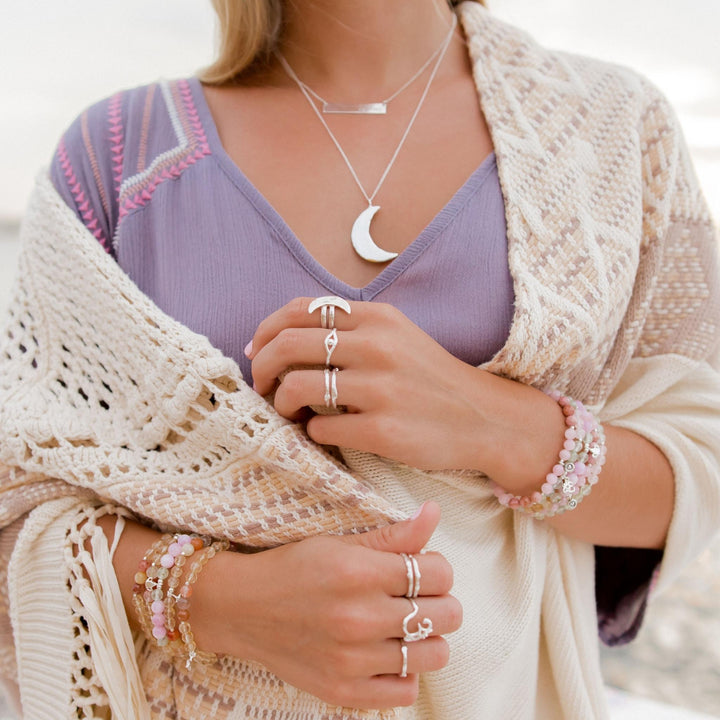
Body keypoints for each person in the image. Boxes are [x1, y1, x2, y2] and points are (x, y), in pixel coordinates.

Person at [1, 0, 719, 718]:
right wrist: (213, 599)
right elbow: (15, 505)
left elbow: (699, 466)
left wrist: (494, 423)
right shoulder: (119, 158)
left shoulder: (612, 128)